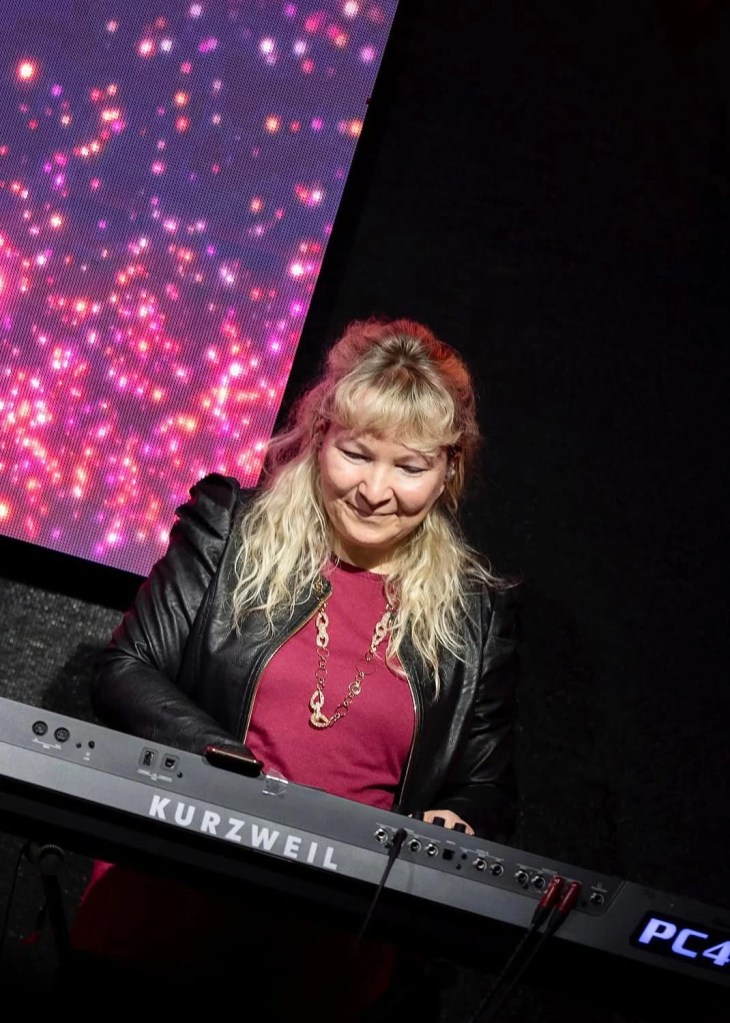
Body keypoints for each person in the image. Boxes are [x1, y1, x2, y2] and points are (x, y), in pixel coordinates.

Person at [64, 316, 521, 1018]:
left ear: (449, 469)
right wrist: (226, 763)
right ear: (320, 437)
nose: (374, 489)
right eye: (358, 453)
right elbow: (128, 668)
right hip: (166, 911)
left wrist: (459, 819)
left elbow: (485, 783)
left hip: (333, 959)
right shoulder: (229, 529)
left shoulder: (474, 615)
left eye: (410, 466)